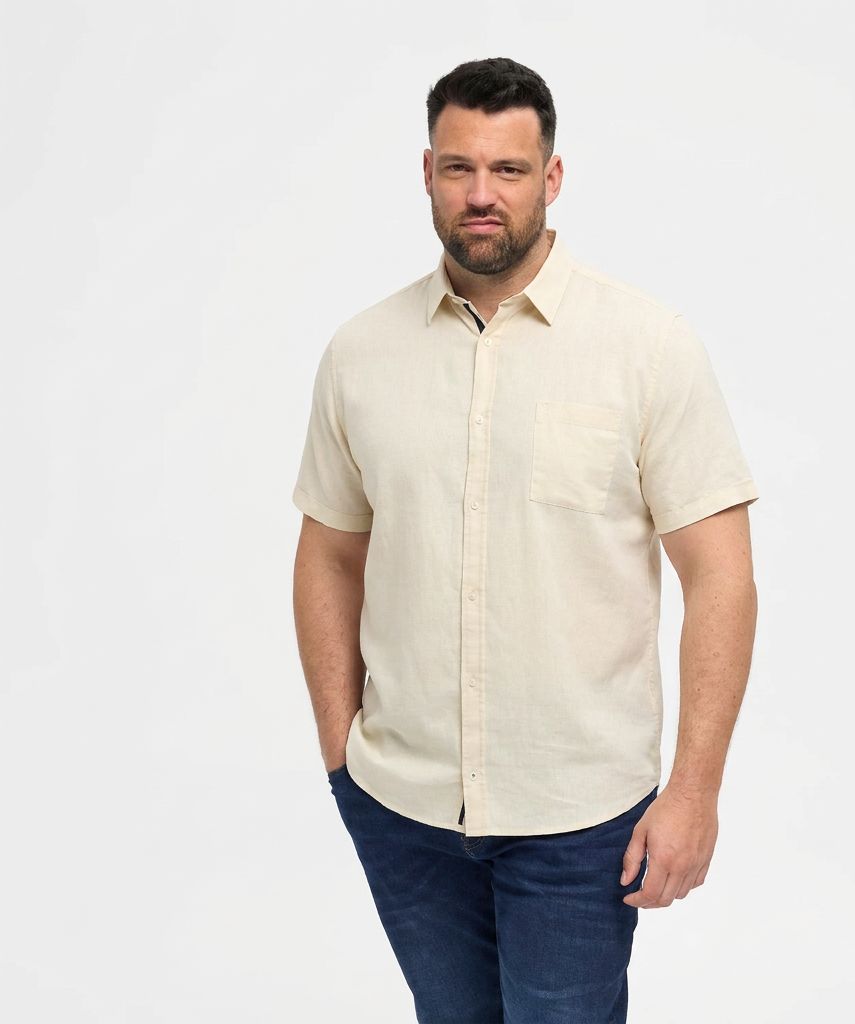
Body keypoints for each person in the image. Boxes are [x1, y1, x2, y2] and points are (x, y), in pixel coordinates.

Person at [292, 56, 760, 1024]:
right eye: (459, 167)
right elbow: (330, 550)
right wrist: (343, 755)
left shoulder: (646, 346)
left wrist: (694, 791)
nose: (481, 194)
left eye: (507, 170)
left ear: (551, 177)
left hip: (579, 816)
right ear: (427, 173)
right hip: (403, 806)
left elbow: (721, 578)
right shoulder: (361, 354)